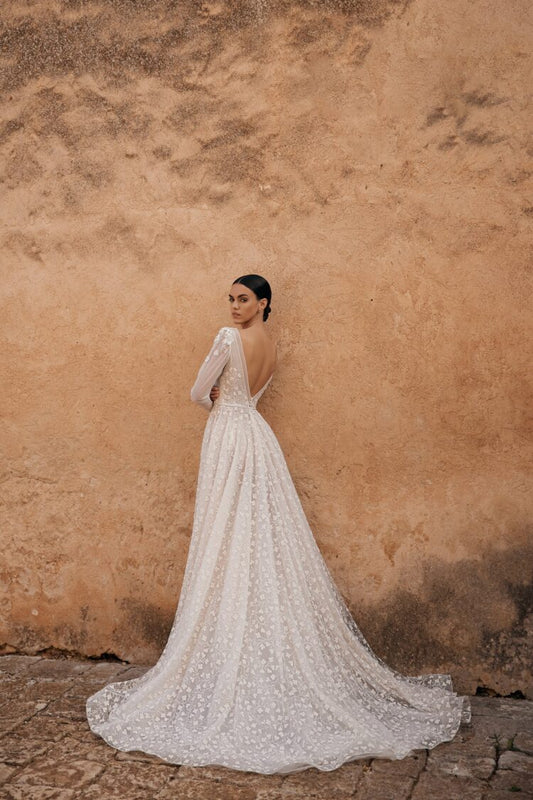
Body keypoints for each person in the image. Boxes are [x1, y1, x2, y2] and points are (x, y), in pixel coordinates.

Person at [86, 273, 471, 774]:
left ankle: (231, 650)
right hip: (259, 439)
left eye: (242, 299)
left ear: (263, 303)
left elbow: (198, 392)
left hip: (228, 436)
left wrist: (214, 400)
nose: (233, 306)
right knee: (257, 537)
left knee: (225, 535)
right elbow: (256, 394)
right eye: (230, 299)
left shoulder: (230, 339)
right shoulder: (272, 347)